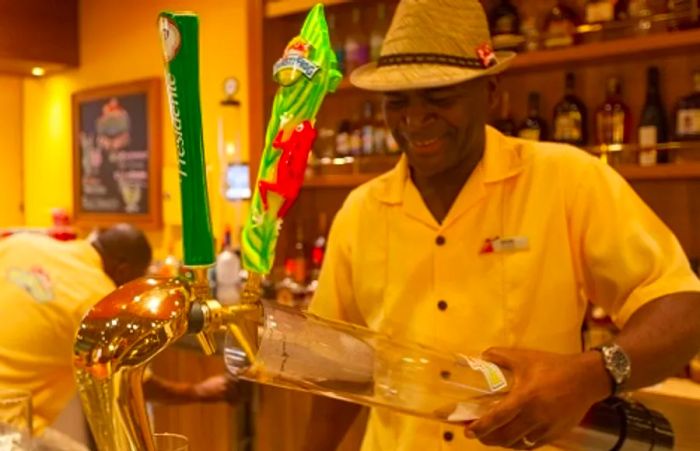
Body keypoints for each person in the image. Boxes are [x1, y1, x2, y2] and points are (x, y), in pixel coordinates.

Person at [303, 0, 700, 450]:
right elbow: (339, 369)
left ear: (491, 92)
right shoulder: (360, 212)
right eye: (397, 102)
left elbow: (682, 306)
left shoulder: (566, 179)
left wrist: (593, 374)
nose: (414, 118)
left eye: (440, 97)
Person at [0, 224, 237, 436]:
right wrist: (198, 391)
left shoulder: (21, 244)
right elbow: (131, 385)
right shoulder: (99, 301)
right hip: (8, 424)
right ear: (123, 270)